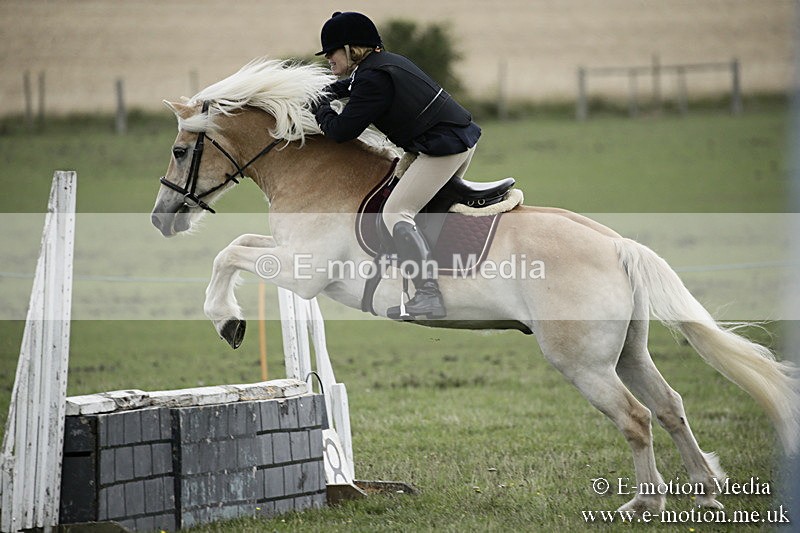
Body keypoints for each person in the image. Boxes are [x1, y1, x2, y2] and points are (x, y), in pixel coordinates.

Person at [313, 11, 481, 321]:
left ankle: (429, 295)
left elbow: (340, 132)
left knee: (396, 212)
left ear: (351, 50)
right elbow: (351, 87)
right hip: (453, 140)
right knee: (415, 208)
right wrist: (327, 90)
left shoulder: (373, 78)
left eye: (331, 52)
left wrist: (321, 109)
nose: (328, 59)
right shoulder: (383, 64)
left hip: (442, 149)